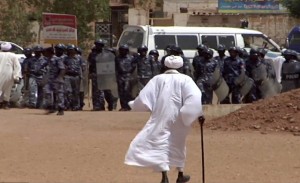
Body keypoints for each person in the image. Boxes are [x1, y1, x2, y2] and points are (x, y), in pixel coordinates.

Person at [124, 55, 204, 183]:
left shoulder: (157, 79)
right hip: (179, 117)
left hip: (160, 116)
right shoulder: (186, 79)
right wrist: (196, 113)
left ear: (165, 65)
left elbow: (144, 96)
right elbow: (194, 96)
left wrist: (134, 104)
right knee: (179, 143)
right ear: (181, 66)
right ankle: (180, 174)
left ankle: (164, 176)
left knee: (161, 142)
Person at [42, 47, 65, 115]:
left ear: (49, 52)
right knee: (47, 92)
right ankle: (51, 107)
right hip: (50, 79)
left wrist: (59, 78)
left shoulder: (57, 59)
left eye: (46, 52)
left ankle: (61, 109)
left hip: (56, 79)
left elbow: (62, 69)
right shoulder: (48, 60)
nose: (45, 53)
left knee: (59, 94)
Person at [0, 42, 22, 109]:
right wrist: (16, 76)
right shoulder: (13, 55)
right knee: (8, 89)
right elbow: (17, 66)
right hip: (9, 74)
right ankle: (5, 103)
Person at [115, 44, 136, 111]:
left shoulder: (131, 58)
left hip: (128, 76)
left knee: (127, 91)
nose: (123, 51)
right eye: (121, 50)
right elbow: (115, 67)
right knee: (121, 92)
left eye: (124, 50)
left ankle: (128, 105)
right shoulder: (117, 58)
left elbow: (134, 66)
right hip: (120, 76)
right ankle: (123, 106)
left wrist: (129, 73)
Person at [88, 39, 106, 111]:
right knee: (95, 91)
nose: (98, 46)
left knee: (101, 90)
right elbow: (90, 65)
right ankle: (96, 105)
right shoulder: (92, 54)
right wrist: (90, 73)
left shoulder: (105, 54)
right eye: (97, 45)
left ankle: (101, 105)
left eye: (100, 45)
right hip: (95, 74)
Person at [63, 44, 82, 111]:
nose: (71, 51)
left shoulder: (79, 58)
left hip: (76, 76)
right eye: (69, 50)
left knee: (76, 92)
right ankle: (68, 105)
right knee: (67, 91)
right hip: (67, 76)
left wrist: (81, 75)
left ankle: (76, 106)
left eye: (72, 50)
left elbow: (82, 67)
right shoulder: (65, 58)